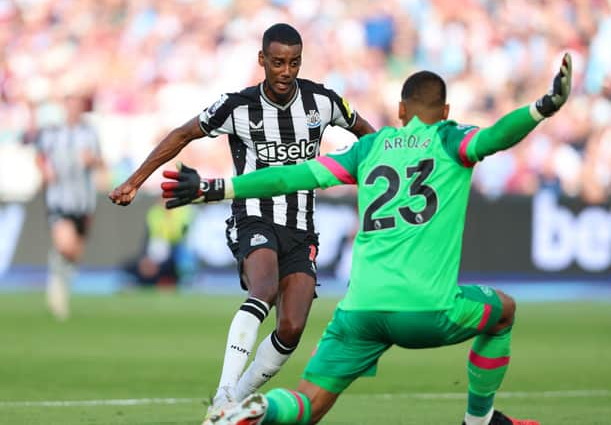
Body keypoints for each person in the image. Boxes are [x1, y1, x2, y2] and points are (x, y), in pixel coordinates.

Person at [161, 53, 572, 425]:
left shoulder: (370, 148)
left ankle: (261, 409)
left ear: (400, 110)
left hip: (360, 311)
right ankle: (477, 424)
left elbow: (291, 176)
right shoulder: (451, 140)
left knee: (306, 406)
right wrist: (543, 107)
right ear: (445, 111)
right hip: (426, 309)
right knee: (503, 312)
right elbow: (496, 136)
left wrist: (218, 188)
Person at [108, 23, 375, 421]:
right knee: (263, 289)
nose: (286, 71)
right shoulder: (237, 106)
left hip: (302, 228)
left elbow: (368, 136)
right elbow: (183, 134)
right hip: (254, 218)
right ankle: (223, 394)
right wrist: (135, 180)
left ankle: (234, 404)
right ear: (262, 60)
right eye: (279, 62)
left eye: (295, 63)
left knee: (292, 327)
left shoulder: (323, 101)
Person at [33, 94, 103, 320]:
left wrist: (92, 160)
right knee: (65, 246)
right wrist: (45, 170)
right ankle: (56, 291)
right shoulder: (53, 133)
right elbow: (40, 156)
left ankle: (61, 288)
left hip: (83, 201)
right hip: (59, 199)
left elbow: (101, 162)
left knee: (75, 253)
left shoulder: (89, 133)